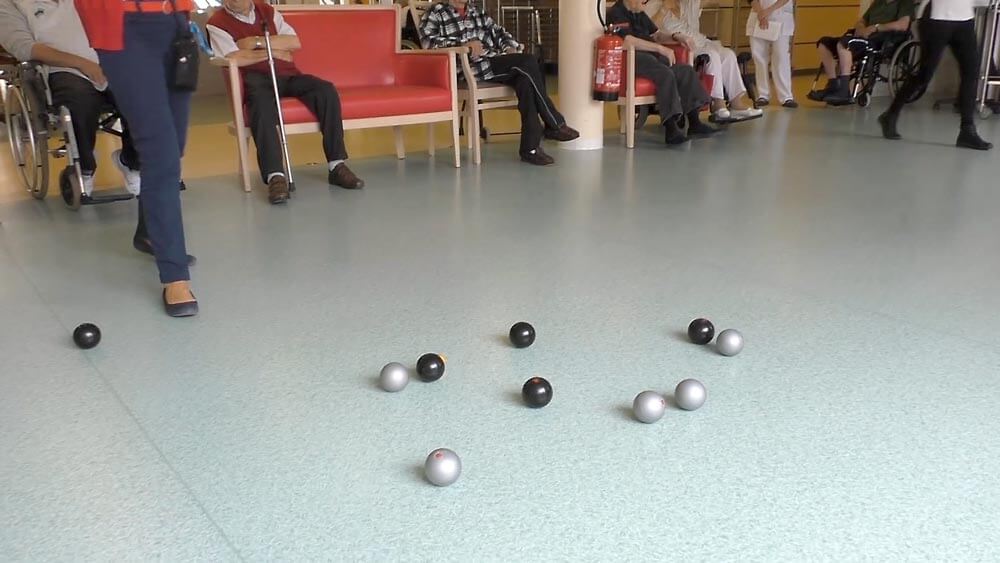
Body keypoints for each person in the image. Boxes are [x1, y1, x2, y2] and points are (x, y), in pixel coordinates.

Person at [75, 0, 198, 317]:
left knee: (174, 144)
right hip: (124, 29)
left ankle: (149, 232)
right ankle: (175, 275)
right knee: (161, 154)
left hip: (175, 22)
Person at [207, 0, 364, 204]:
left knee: (326, 90)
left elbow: (294, 42)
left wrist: (256, 42)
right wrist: (275, 52)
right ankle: (275, 177)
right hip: (255, 81)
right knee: (261, 107)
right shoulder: (216, 23)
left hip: (287, 75)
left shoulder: (267, 11)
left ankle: (337, 165)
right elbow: (234, 56)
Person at [419, 0, 579, 165]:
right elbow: (428, 44)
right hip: (465, 69)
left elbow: (499, 32)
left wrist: (510, 46)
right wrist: (463, 45)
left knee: (525, 78)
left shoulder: (476, 11)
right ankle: (554, 124)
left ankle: (530, 148)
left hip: (490, 63)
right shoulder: (436, 12)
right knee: (528, 63)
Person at [879, 0, 992, 150]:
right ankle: (890, 115)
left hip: (964, 20)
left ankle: (967, 131)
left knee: (971, 72)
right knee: (924, 76)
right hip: (935, 18)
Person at [606, 0, 716, 144]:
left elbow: (657, 35)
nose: (645, 3)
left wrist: (676, 36)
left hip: (653, 60)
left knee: (686, 72)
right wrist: (659, 48)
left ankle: (694, 122)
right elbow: (626, 40)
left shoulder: (639, 12)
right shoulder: (616, 13)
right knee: (665, 73)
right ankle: (670, 128)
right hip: (633, 59)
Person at [655, 0, 764, 121]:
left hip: (702, 42)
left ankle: (736, 102)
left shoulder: (690, 3)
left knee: (728, 54)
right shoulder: (657, 5)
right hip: (681, 47)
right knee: (712, 56)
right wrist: (664, 8)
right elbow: (651, 29)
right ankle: (718, 103)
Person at [807, 0, 913, 105]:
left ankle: (844, 90)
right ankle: (833, 84)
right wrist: (861, 28)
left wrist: (876, 28)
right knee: (824, 43)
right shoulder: (878, 3)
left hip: (880, 41)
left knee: (845, 43)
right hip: (862, 37)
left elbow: (903, 24)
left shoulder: (904, 3)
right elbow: (861, 21)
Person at [748, 0, 796, 108]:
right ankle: (763, 94)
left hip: (781, 15)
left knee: (781, 57)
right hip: (758, 16)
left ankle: (786, 96)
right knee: (759, 57)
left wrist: (768, 11)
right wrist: (761, 13)